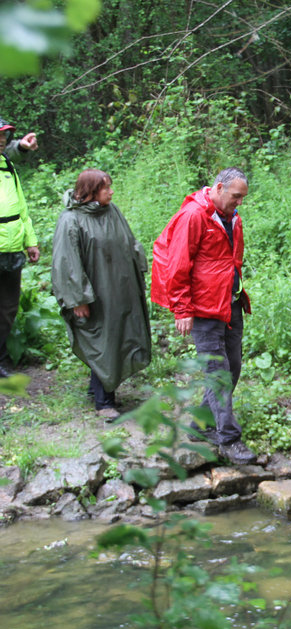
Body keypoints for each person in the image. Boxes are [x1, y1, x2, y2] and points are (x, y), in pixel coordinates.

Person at [150, 167, 256, 464]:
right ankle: (229, 439)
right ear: (219, 188)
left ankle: (199, 425)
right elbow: (177, 264)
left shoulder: (232, 216)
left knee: (232, 367)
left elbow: (231, 260)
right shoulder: (194, 216)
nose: (240, 202)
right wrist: (182, 309)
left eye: (242, 197)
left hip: (229, 303)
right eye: (236, 196)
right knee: (218, 372)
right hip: (203, 307)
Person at [51, 169, 152, 420]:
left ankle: (96, 389)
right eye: (106, 188)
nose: (111, 192)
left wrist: (140, 271)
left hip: (120, 289)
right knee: (102, 342)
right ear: (91, 191)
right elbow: (67, 263)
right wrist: (78, 299)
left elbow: (129, 241)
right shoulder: (71, 220)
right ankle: (104, 402)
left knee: (117, 338)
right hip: (95, 294)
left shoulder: (112, 211)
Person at [0, 118, 40, 377]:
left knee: (7, 308)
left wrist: (31, 241)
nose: (2, 141)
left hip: (12, 248)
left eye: (4, 136)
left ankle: (1, 360)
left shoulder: (6, 166)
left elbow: (22, 209)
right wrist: (21, 148)